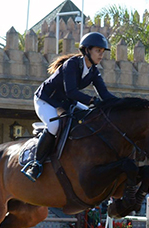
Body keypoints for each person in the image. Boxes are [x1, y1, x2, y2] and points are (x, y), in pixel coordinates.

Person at [22, 32, 117, 182]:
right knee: (54, 125)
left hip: (65, 102)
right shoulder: (72, 64)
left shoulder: (93, 71)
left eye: (102, 52)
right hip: (46, 100)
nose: (101, 55)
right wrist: (92, 100)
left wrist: (122, 104)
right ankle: (36, 164)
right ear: (87, 50)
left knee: (91, 117)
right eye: (98, 51)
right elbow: (71, 91)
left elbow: (105, 94)